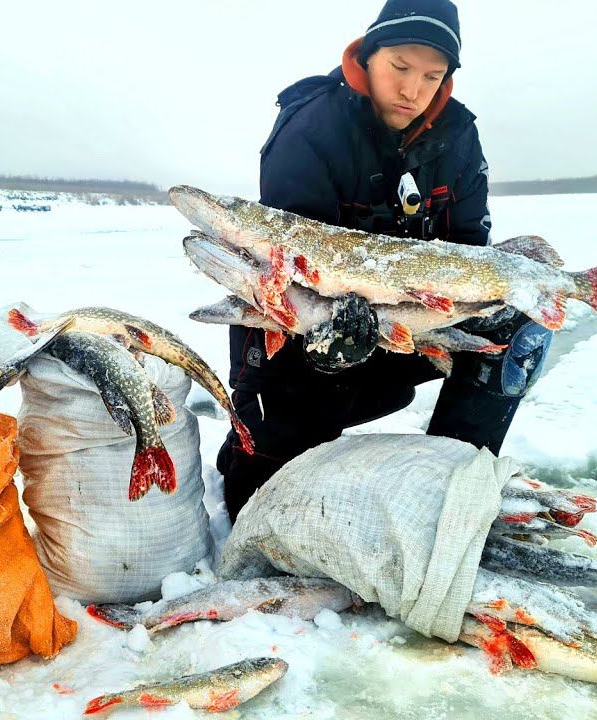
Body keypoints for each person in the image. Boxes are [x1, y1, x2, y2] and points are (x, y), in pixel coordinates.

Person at [216, 0, 554, 520]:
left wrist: (459, 304)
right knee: (259, 508)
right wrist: (333, 329)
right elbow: (287, 266)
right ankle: (257, 440)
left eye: (432, 77)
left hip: (412, 324)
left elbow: (468, 244)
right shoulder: (311, 127)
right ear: (368, 55)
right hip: (307, 339)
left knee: (525, 323)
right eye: (399, 67)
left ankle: (450, 488)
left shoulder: (458, 134)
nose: (412, 91)